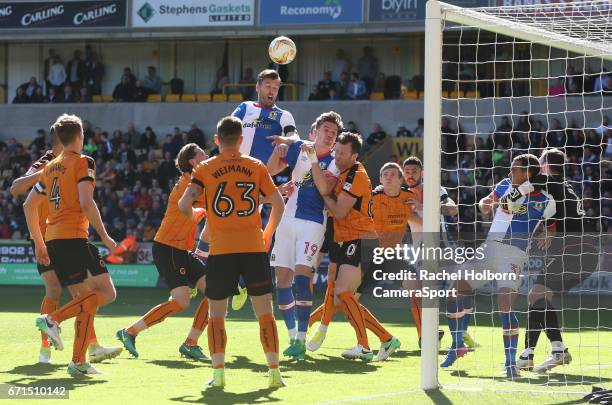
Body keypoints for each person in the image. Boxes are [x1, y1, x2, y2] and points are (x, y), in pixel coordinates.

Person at [178, 116, 286, 388]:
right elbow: (278, 203)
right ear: (240, 140)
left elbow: (183, 203)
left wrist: (194, 215)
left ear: (216, 140)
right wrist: (267, 233)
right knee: (265, 312)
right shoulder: (255, 166)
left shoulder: (204, 167)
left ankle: (219, 374)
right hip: (253, 248)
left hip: (221, 251)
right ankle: (274, 373)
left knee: (217, 315)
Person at [442, 154, 556, 378]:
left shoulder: (545, 199)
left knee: (505, 303)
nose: (509, 173)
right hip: (489, 248)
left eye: (514, 169)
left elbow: (552, 224)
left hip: (513, 254)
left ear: (527, 173)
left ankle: (510, 362)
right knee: (454, 289)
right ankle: (457, 344)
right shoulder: (504, 185)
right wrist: (484, 203)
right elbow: (486, 205)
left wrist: (547, 233)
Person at [195, 69, 299, 311]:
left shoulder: (283, 115)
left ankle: (237, 281)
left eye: (276, 87)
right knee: (215, 224)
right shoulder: (245, 108)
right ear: (258, 87)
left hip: (256, 179)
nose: (272, 90)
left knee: (242, 232)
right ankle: (200, 267)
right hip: (231, 172)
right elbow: (228, 130)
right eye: (268, 86)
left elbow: (293, 135)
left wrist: (286, 142)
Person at [25, 114, 119, 376]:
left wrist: (38, 241)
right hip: (73, 237)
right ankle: (52, 319)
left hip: (55, 239)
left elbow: (28, 205)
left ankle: (80, 360)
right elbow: (87, 202)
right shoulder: (83, 162)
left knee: (85, 299)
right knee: (107, 294)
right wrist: (105, 236)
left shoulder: (51, 166)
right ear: (80, 136)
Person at [116, 144, 210, 361]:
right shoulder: (189, 185)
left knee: (215, 292)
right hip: (168, 248)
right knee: (181, 302)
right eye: (203, 155)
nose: (207, 157)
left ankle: (191, 343)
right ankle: (130, 331)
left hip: (180, 250)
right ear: (193, 162)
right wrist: (197, 213)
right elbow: (189, 206)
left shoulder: (196, 184)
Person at [266, 112, 342, 360]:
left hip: (312, 222)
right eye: (326, 130)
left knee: (301, 279)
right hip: (287, 219)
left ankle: (301, 337)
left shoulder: (334, 161)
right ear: (316, 130)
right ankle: (291, 337)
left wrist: (311, 157)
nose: (330, 135)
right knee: (282, 281)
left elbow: (325, 188)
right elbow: (271, 170)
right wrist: (278, 153)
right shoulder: (299, 147)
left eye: (334, 132)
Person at [517, 148, 599, 373]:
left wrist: (500, 201)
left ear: (544, 165)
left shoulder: (548, 180)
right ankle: (548, 352)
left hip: (573, 250)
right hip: (584, 252)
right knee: (538, 297)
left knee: (536, 295)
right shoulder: (566, 186)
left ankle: (534, 353)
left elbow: (524, 188)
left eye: (538, 163)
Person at [311, 132, 383, 361]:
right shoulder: (343, 173)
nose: (337, 156)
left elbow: (340, 211)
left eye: (342, 153)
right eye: (336, 151)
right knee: (341, 297)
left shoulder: (356, 175)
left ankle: (364, 345)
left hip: (361, 240)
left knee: (342, 293)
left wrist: (324, 195)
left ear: (354, 156)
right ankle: (385, 338)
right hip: (349, 239)